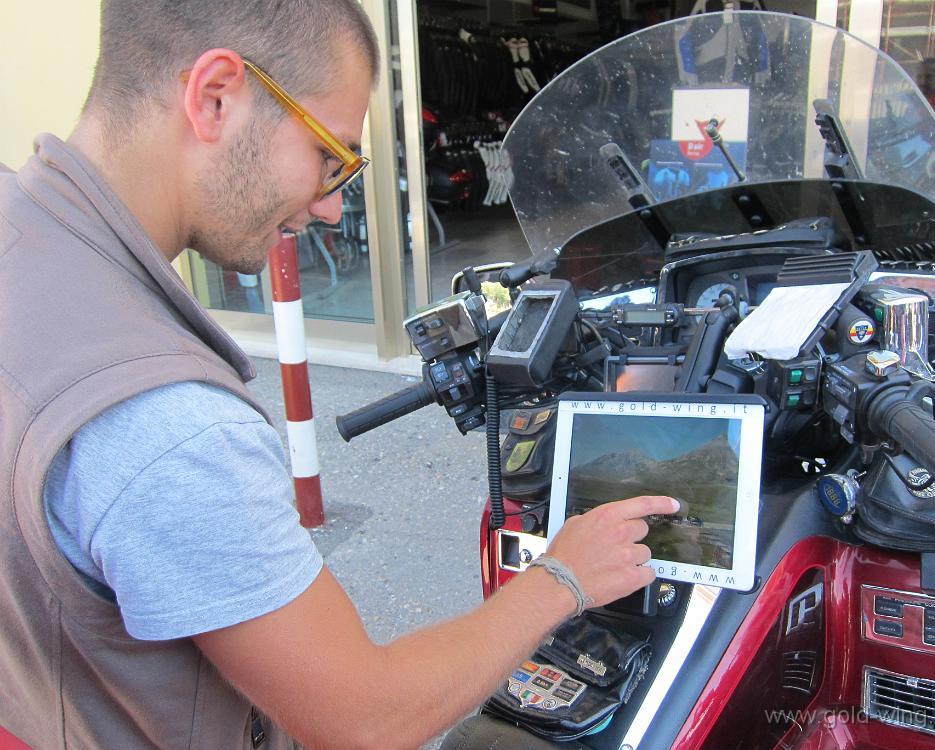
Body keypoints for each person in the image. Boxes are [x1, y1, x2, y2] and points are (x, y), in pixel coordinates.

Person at [0, 2, 676, 749]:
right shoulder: (165, 425)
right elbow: (365, 718)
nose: (328, 209)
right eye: (331, 157)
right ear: (217, 96)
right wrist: (565, 577)